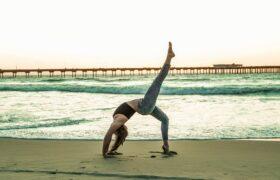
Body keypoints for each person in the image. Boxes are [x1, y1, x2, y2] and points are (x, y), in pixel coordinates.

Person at [102, 42, 175, 158]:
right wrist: (104, 153)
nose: (126, 128)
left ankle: (166, 147)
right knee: (158, 80)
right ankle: (169, 57)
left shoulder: (118, 119)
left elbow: (110, 133)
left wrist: (107, 151)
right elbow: (108, 134)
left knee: (165, 119)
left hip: (145, 106)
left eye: (123, 131)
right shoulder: (119, 119)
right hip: (143, 106)